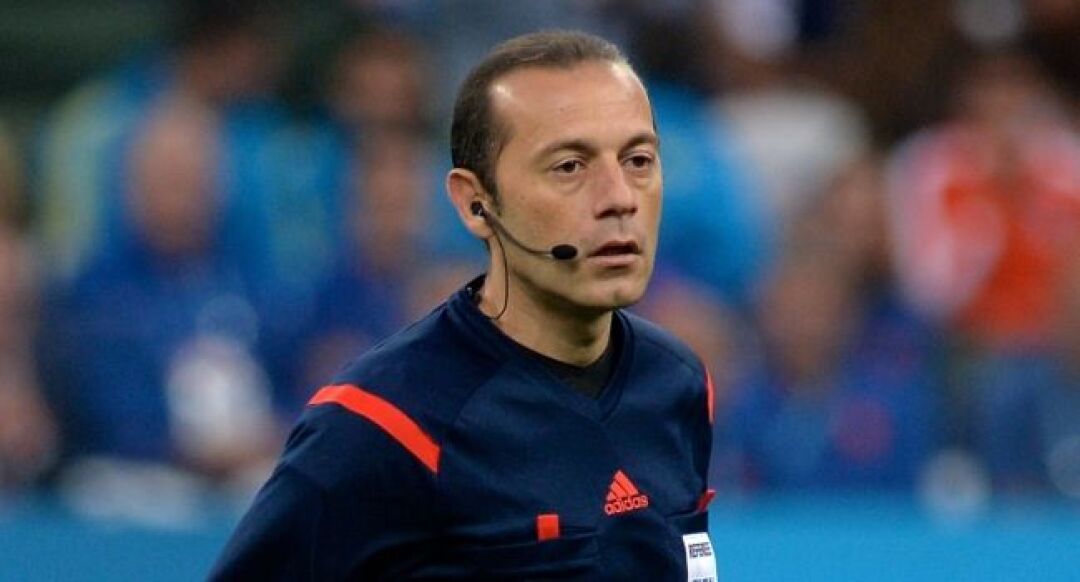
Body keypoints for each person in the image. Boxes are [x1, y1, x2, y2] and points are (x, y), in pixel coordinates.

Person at [211, 30, 717, 580]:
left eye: (638, 160)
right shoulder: (383, 422)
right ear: (477, 205)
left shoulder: (679, 385)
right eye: (570, 166)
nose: (619, 197)